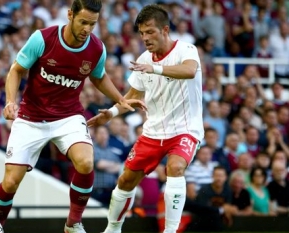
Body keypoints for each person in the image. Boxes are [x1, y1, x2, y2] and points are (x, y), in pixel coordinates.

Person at [0, 1, 143, 233]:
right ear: (70, 15)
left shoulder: (96, 48)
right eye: (83, 22)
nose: (87, 29)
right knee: (10, 182)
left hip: (68, 116)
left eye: (92, 24)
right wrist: (10, 101)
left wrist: (119, 99)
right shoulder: (42, 39)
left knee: (86, 162)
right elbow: (16, 70)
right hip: (31, 117)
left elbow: (98, 77)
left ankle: (73, 223)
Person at [87, 4, 204, 233]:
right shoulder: (142, 59)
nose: (145, 37)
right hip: (152, 132)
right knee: (125, 180)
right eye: (142, 33)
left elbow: (189, 71)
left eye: (150, 31)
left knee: (176, 167)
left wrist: (155, 69)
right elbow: (132, 97)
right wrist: (110, 113)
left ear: (165, 30)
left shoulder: (186, 50)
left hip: (185, 129)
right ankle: (112, 229)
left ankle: (170, 231)